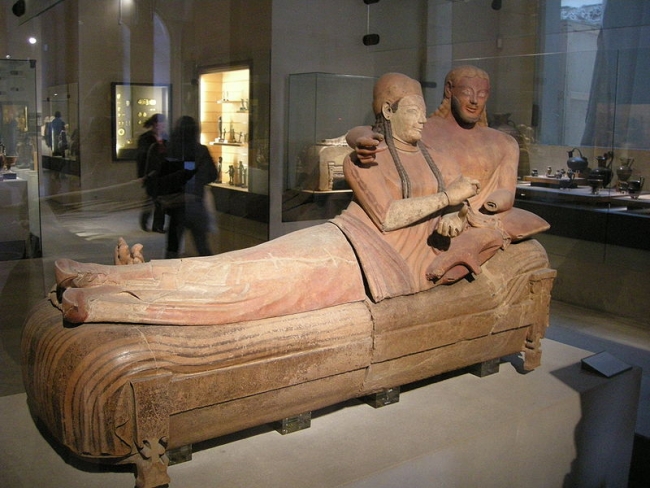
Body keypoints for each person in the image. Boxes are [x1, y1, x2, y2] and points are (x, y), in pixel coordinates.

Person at [52, 73, 479, 326]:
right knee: (235, 269)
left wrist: (457, 214)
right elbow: (387, 216)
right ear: (387, 112)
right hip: (350, 245)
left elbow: (463, 209)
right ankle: (112, 278)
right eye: (413, 109)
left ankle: (110, 305)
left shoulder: (435, 158)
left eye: (423, 109)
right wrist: (448, 197)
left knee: (250, 290)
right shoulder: (365, 156)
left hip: (375, 268)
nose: (423, 118)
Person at [347, 65, 548, 282]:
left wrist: (490, 204)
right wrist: (359, 138)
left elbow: (506, 191)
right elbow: (378, 131)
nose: (475, 100)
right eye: (467, 92)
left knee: (512, 234)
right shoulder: (424, 130)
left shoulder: (504, 142)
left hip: (471, 215)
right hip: (430, 213)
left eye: (482, 94)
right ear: (450, 90)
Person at [165, 115, 218, 257]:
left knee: (172, 250)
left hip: (177, 204)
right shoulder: (200, 150)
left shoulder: (171, 149)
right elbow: (212, 175)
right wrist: (197, 181)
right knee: (202, 246)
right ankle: (211, 270)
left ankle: (167, 271)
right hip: (195, 202)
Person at [136, 113, 166, 232]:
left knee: (161, 199)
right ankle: (145, 220)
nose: (161, 126)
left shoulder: (166, 137)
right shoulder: (145, 138)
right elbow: (141, 157)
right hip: (150, 172)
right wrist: (141, 175)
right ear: (154, 124)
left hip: (163, 173)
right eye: (158, 123)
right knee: (152, 197)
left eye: (162, 123)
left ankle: (158, 225)